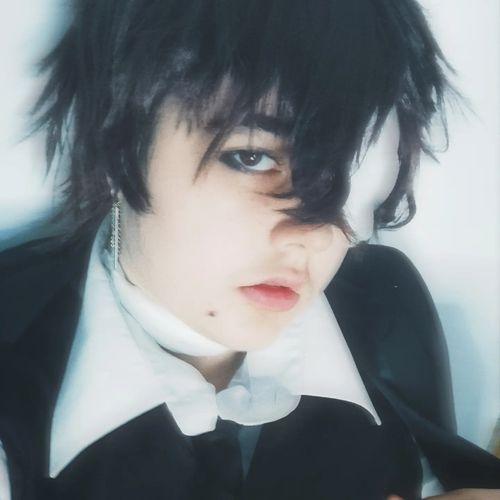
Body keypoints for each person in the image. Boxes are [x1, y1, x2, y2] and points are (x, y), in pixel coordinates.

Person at [0, 0, 499, 499]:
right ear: (117, 141)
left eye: (352, 173)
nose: (316, 235)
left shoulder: (382, 302)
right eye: (252, 157)